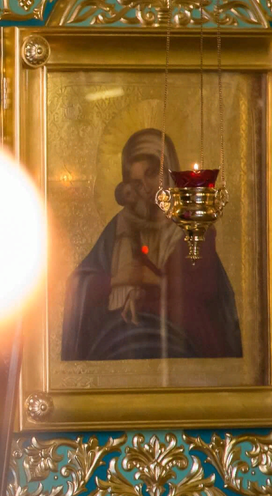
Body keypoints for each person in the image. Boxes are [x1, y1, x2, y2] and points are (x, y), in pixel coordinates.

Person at [61, 128, 242, 361]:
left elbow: (205, 290)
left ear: (167, 171)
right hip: (117, 349)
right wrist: (117, 280)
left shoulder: (193, 225)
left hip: (185, 347)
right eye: (136, 181)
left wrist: (150, 281)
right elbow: (77, 285)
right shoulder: (120, 227)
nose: (146, 187)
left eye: (151, 174)